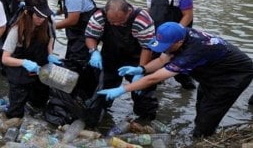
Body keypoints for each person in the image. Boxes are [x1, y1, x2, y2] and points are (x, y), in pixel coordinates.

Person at [99, 22, 253, 137]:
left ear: (179, 43)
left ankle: (201, 138)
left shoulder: (192, 51)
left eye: (166, 46)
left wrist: (123, 89)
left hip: (232, 76)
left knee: (208, 116)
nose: (163, 49)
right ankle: (202, 131)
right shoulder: (179, 35)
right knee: (201, 107)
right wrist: (142, 69)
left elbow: (154, 79)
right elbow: (161, 60)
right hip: (212, 73)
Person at [85, 0, 158, 120]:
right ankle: (101, 116)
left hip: (137, 57)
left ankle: (145, 120)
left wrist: (141, 70)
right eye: (112, 22)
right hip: (111, 55)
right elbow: (90, 36)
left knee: (143, 91)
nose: (115, 25)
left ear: (128, 12)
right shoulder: (99, 16)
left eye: (120, 22)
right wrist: (93, 51)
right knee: (104, 87)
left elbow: (147, 47)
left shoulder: (142, 19)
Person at [144, 0, 196, 89]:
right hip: (159, 36)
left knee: (180, 71)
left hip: (176, 38)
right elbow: (150, 12)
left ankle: (188, 89)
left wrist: (177, 34)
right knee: (153, 65)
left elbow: (188, 15)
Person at [1, 0, 56, 118]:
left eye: (44, 16)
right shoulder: (16, 30)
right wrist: (24, 62)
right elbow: (5, 59)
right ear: (27, 13)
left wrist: (50, 56)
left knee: (40, 104)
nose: (41, 20)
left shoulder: (48, 23)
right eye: (38, 16)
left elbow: (51, 40)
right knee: (16, 111)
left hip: (40, 68)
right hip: (20, 70)